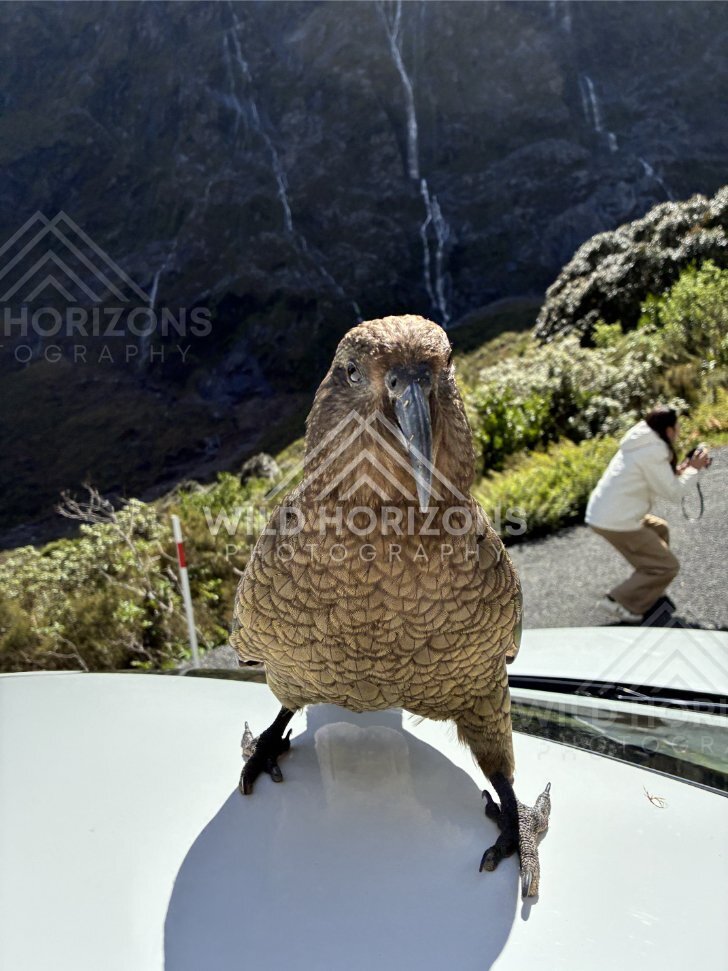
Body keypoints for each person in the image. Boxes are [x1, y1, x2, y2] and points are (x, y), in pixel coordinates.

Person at [585, 406, 711, 622]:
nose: (679, 430)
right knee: (668, 566)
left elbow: (658, 479)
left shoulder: (642, 441)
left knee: (659, 529)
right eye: (677, 426)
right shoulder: (652, 451)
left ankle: (650, 590)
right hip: (617, 520)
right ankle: (621, 601)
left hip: (607, 513)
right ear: (669, 430)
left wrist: (682, 469)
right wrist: (695, 469)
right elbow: (673, 493)